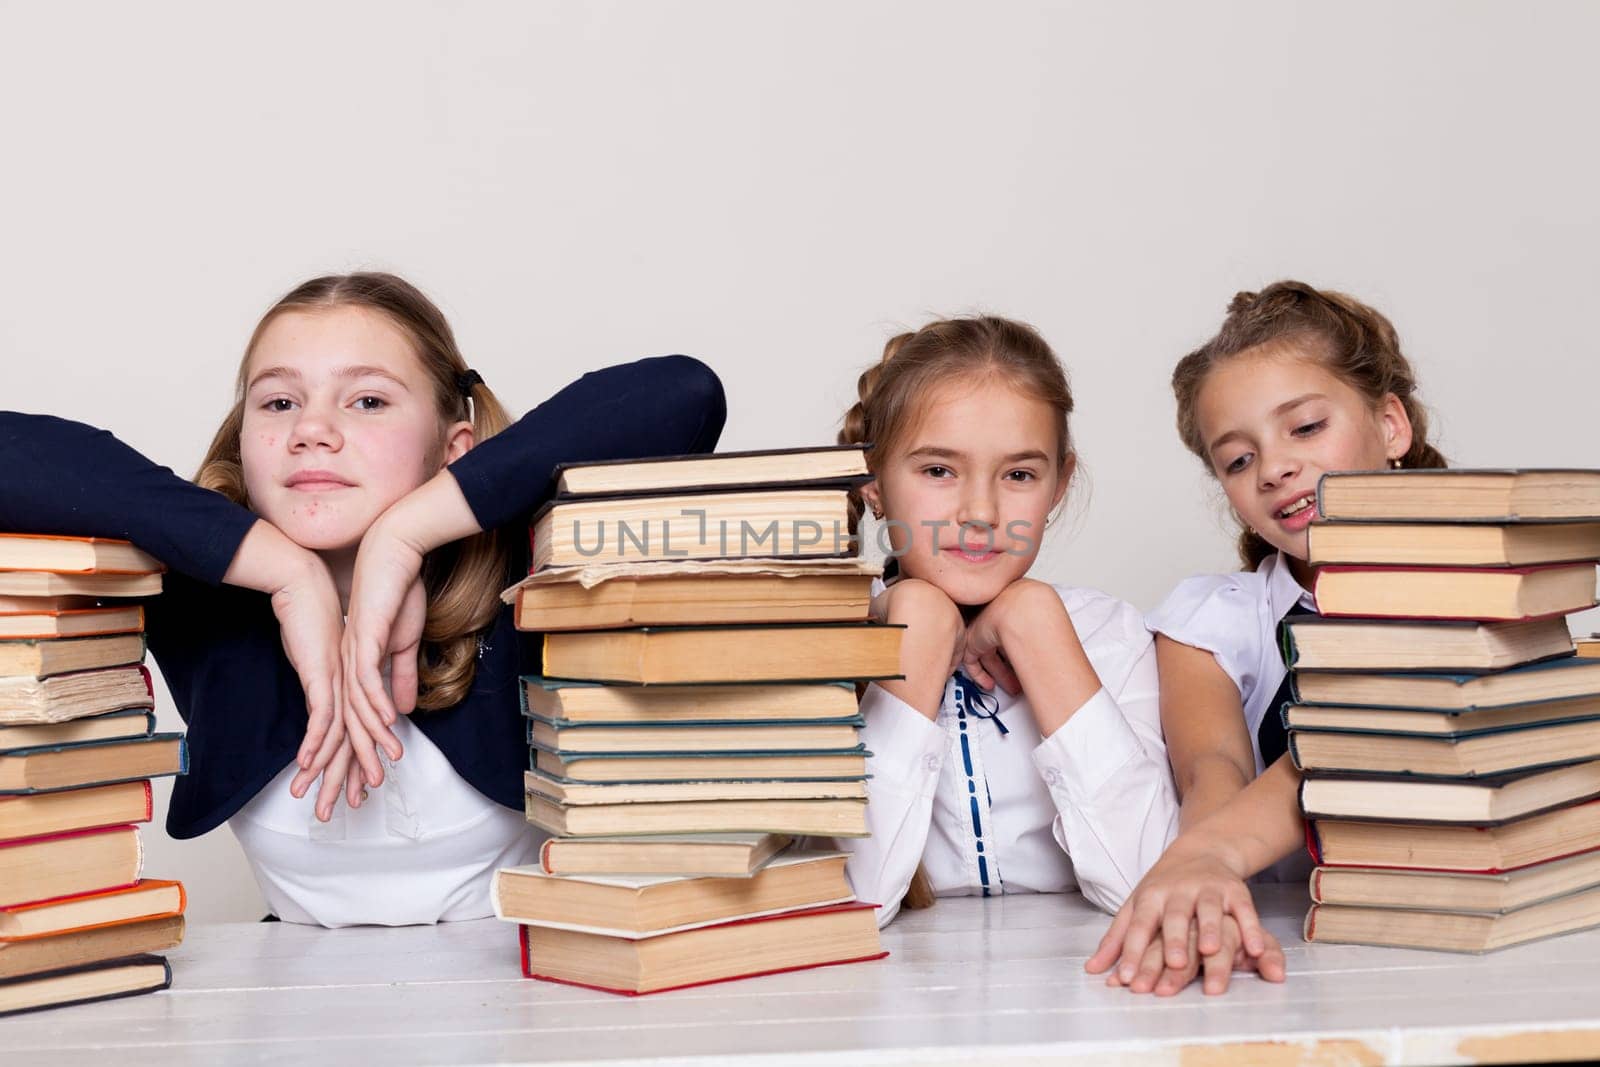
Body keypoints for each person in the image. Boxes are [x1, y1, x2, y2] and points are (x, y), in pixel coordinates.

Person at [0, 272, 726, 926]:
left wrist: (405, 536)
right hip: (285, 1013)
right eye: (279, 401)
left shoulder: (522, 577)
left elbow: (687, 394)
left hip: (532, 1000)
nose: (311, 430)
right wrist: (287, 572)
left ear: (456, 449)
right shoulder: (206, 602)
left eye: (368, 400)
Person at [1086, 280, 1445, 994]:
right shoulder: (1211, 619)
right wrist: (1205, 877)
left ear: (1392, 425)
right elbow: (1212, 762)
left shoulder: (1476, 592)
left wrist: (1212, 854)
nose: (1276, 468)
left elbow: (1355, 734)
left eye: (1306, 427)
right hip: (1302, 954)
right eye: (1238, 460)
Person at [834, 314, 1177, 926]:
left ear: (1060, 484)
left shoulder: (1111, 638)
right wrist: (915, 638)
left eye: (1018, 474)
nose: (981, 512)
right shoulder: (813, 648)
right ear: (874, 483)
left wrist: (1037, 629)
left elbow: (1149, 887)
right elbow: (854, 904)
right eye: (938, 470)